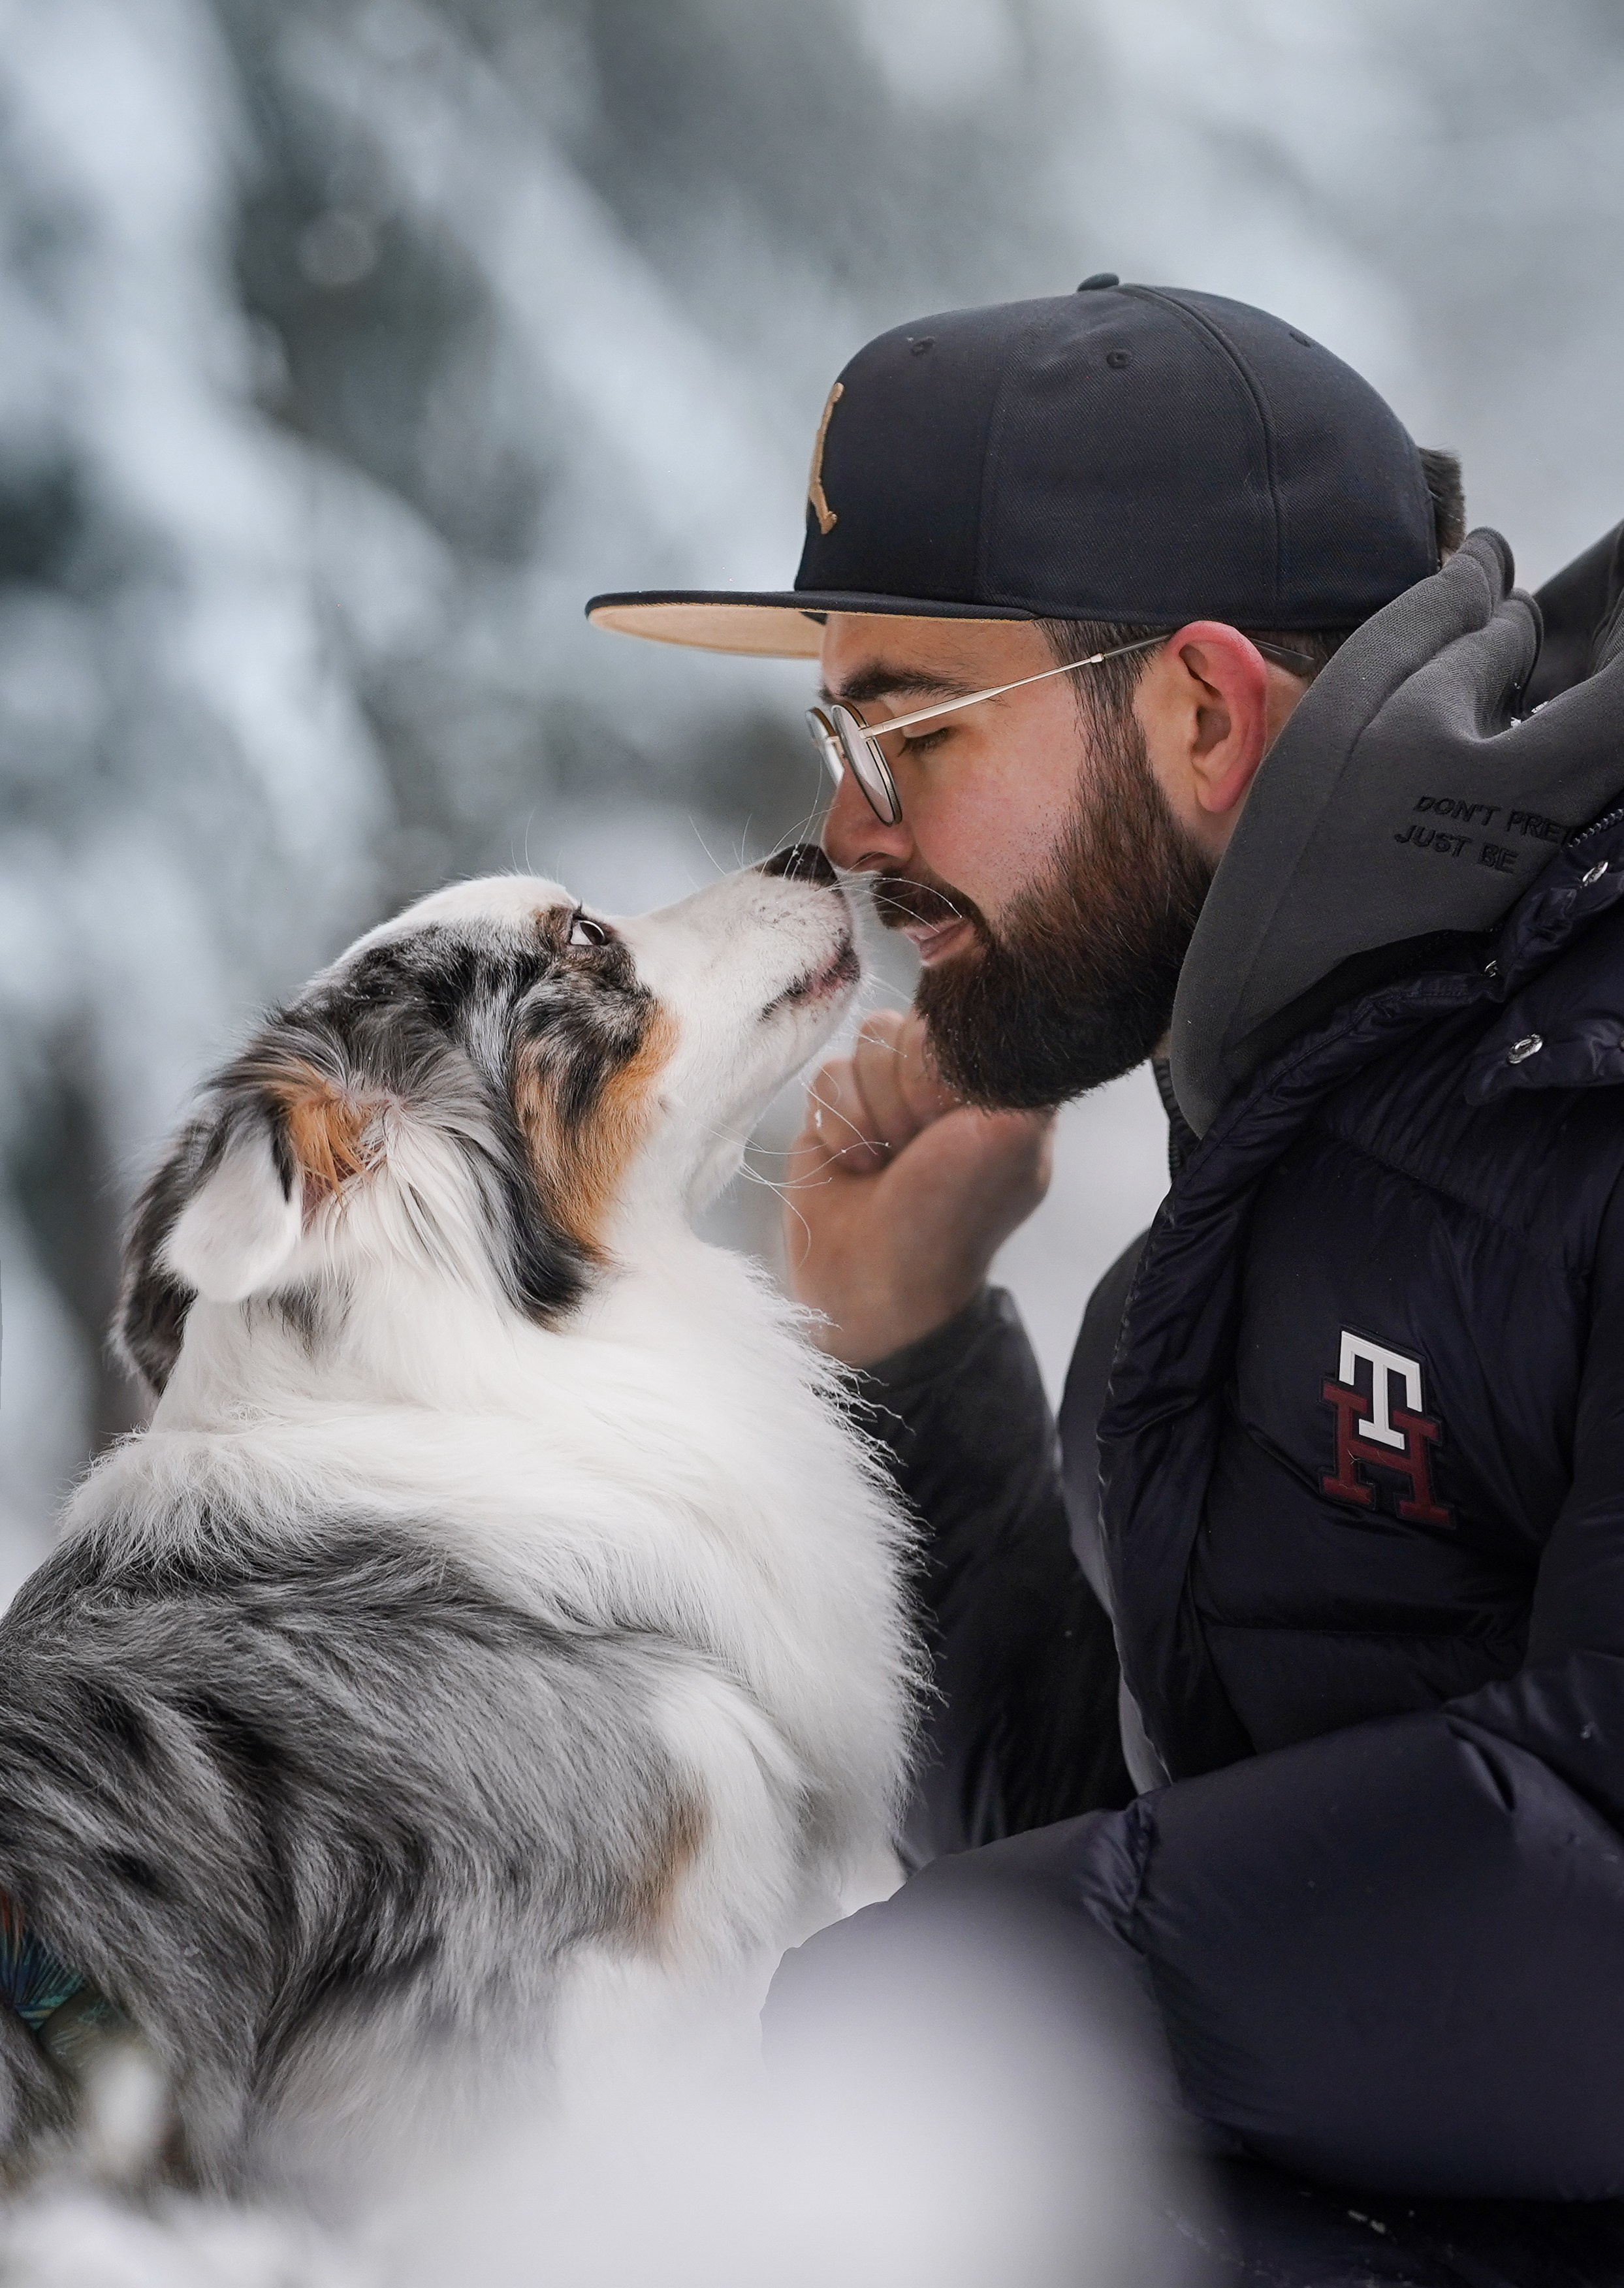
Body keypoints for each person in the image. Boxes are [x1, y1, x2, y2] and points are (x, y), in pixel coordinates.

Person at [587, 279, 1624, 2277]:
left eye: (904, 726)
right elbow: (1218, 1921)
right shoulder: (1299, 1103)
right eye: (833, 729)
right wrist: (908, 1361)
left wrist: (977, 1990)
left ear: (1209, 714)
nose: (843, 828)